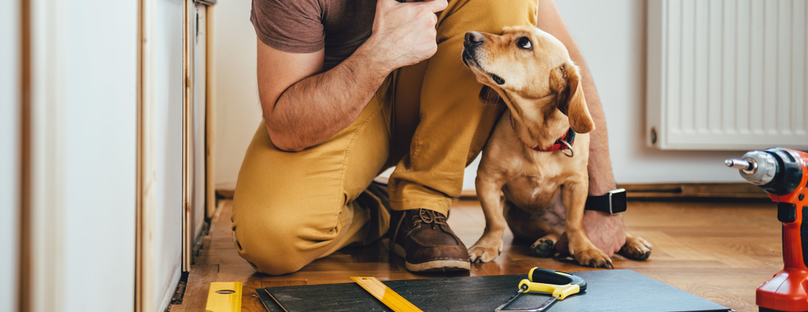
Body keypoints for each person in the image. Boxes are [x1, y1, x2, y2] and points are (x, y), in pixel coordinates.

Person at [232, 0, 626, 275]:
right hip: (340, 97)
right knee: (271, 237)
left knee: (505, 0)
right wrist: (379, 54)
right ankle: (381, 208)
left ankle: (421, 205)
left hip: (448, 86)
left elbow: (564, 65)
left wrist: (603, 200)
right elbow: (284, 123)